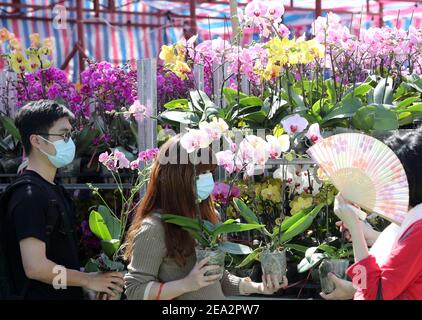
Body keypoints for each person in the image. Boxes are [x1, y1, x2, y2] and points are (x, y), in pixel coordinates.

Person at [123, 135, 288, 300]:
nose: (208, 178)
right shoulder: (154, 228)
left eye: (210, 172)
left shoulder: (208, 219)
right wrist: (187, 284)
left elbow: (216, 279)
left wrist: (259, 287)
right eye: (200, 173)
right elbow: (135, 290)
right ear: (176, 177)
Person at [0, 100, 124, 300]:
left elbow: (58, 262)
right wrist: (87, 279)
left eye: (70, 135)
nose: (70, 142)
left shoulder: (53, 190)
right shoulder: (28, 196)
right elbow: (36, 267)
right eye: (63, 135)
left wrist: (89, 284)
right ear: (37, 141)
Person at [321, 128, 422, 300]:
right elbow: (405, 260)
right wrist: (365, 233)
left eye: (388, 174)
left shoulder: (418, 229)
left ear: (408, 180)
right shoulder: (413, 219)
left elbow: (375, 293)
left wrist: (355, 229)